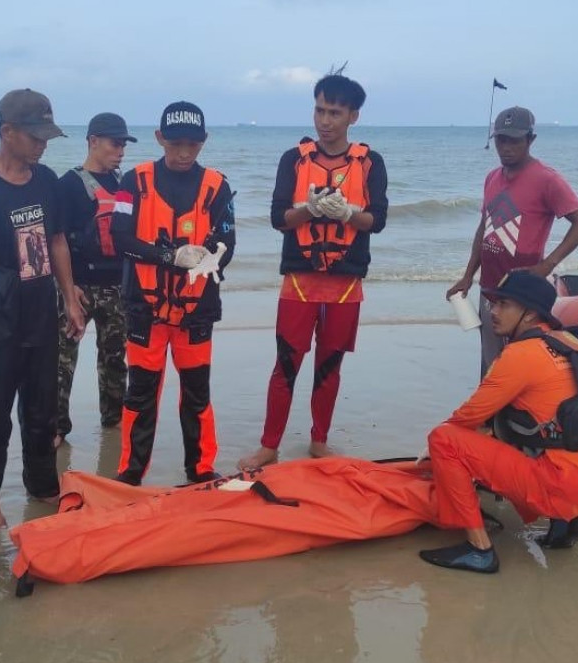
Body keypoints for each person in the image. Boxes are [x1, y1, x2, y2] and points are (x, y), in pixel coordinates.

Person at [418, 272, 578, 574]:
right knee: (524, 426)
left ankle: (479, 549)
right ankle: (564, 526)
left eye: (503, 305)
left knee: (443, 439)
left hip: (563, 485)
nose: (493, 312)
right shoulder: (567, 341)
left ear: (530, 313)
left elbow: (468, 416)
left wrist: (432, 453)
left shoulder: (522, 354)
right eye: (492, 304)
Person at [0, 89, 86, 529]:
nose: (43, 145)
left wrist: (70, 297)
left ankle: (42, 484)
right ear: (7, 132)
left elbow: (58, 239)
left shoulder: (46, 181)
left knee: (42, 406)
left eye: (47, 136)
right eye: (35, 136)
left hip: (40, 304)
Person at [237, 72, 388, 471]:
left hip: (345, 284)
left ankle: (319, 441)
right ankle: (269, 446)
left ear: (353, 116)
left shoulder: (371, 163)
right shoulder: (293, 159)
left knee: (329, 365)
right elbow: (278, 218)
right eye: (320, 109)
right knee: (286, 364)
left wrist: (349, 214)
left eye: (334, 112)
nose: (325, 120)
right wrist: (310, 209)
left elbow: (379, 221)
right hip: (300, 281)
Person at [112, 101, 236, 485]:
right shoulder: (133, 181)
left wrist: (210, 259)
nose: (184, 153)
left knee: (197, 393)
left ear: (204, 141)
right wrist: (170, 256)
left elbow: (228, 244)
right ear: (159, 138)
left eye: (193, 145)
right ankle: (130, 475)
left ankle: (200, 470)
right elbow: (119, 238)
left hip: (196, 311)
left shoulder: (218, 186)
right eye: (176, 143)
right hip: (144, 311)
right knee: (140, 394)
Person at [447, 106, 578, 376]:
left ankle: (516, 417)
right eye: (501, 140)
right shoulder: (492, 178)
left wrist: (547, 265)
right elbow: (483, 228)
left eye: (514, 140)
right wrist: (468, 276)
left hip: (524, 295)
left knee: (520, 367)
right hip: (490, 289)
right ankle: (492, 418)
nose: (506, 147)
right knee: (490, 364)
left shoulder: (547, 179)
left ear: (530, 140)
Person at [53, 112, 135, 446]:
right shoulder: (69, 185)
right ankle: (56, 427)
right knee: (62, 357)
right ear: (93, 141)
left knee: (115, 356)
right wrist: (67, 287)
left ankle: (114, 420)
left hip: (118, 286)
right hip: (78, 287)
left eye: (124, 144)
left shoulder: (125, 186)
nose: (121, 151)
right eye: (115, 143)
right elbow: (55, 239)